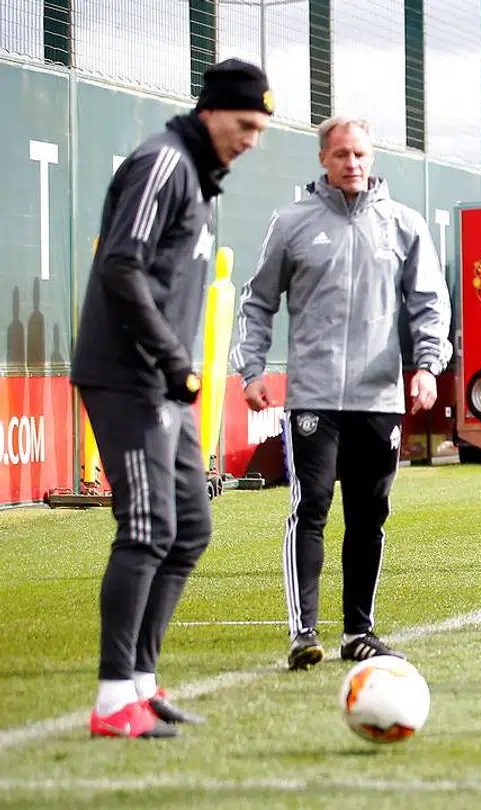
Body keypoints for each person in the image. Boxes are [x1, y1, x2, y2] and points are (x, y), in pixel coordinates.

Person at [70, 58, 274, 738]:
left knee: (191, 528)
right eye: (245, 124)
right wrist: (171, 360)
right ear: (210, 111)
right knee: (147, 530)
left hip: (166, 384)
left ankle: (142, 686)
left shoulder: (202, 178)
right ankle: (109, 702)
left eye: (261, 129)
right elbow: (121, 265)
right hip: (130, 378)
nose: (252, 139)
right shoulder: (162, 162)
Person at [231, 116, 453, 672]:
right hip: (313, 396)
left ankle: (359, 631)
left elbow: (430, 302)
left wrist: (428, 365)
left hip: (380, 400)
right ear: (323, 160)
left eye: (360, 154)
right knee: (311, 507)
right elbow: (257, 301)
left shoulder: (403, 225)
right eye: (341, 155)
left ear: (372, 158)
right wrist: (251, 371)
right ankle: (303, 631)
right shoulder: (292, 223)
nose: (352, 164)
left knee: (369, 514)